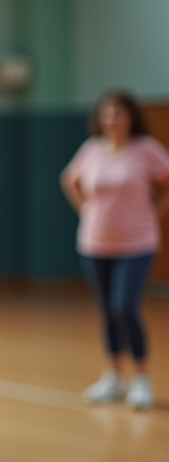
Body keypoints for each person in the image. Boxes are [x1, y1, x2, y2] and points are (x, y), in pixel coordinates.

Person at [61, 90, 169, 409]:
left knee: (125, 307)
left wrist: (155, 211)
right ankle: (113, 376)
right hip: (95, 243)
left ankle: (141, 378)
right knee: (107, 310)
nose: (112, 120)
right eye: (106, 114)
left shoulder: (146, 150)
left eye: (118, 113)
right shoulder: (92, 150)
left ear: (131, 117)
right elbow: (69, 179)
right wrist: (85, 210)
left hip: (137, 244)